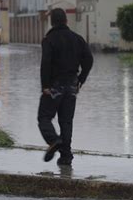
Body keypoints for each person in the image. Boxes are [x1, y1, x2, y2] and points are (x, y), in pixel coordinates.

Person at [38, 8, 93, 166]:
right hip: (71, 86)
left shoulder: (49, 39)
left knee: (44, 117)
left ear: (51, 22)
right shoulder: (77, 39)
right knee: (66, 122)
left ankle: (54, 140)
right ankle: (66, 157)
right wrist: (81, 79)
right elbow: (89, 60)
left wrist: (45, 85)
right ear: (66, 21)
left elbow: (46, 63)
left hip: (54, 86)